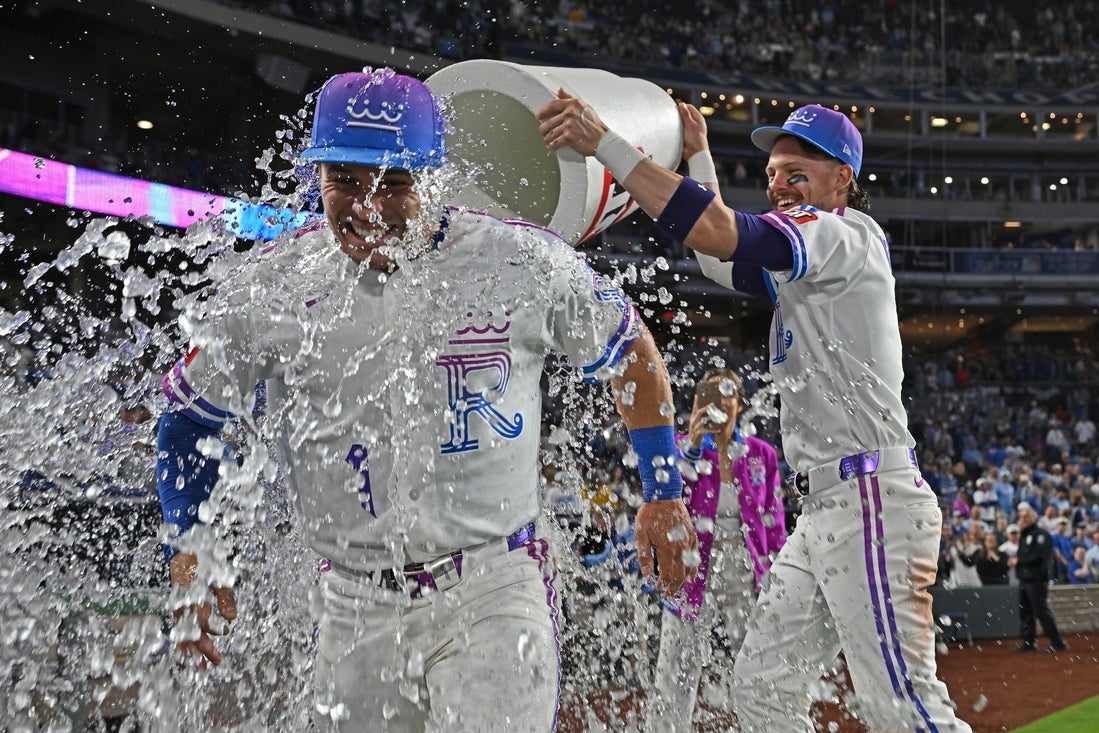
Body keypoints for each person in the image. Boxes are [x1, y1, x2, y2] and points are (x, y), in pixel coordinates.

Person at [156, 67, 698, 732]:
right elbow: (186, 419)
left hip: (493, 587)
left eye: (395, 184)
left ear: (437, 179)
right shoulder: (274, 285)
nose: (367, 206)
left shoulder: (520, 261)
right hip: (352, 600)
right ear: (316, 176)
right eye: (344, 180)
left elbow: (630, 351)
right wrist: (189, 544)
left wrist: (662, 490)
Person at [538, 95, 972, 730]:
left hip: (870, 499)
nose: (779, 186)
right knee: (762, 689)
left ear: (842, 179)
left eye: (797, 173)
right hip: (826, 507)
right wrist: (699, 156)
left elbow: (715, 231)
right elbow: (718, 258)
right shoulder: (811, 260)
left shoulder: (843, 233)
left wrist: (604, 142)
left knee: (901, 708)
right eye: (772, 175)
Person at [645, 368, 785, 732]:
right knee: (676, 667)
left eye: (726, 397)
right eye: (707, 398)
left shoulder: (761, 454)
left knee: (757, 661)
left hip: (745, 568)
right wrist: (692, 448)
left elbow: (774, 521)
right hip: (692, 569)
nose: (717, 406)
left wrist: (776, 575)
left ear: (740, 403)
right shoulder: (679, 448)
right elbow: (665, 497)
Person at [1010, 503, 1068, 653]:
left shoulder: (1041, 534)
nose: (1022, 520)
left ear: (1032, 517)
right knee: (1026, 611)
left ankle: (1058, 642)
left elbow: (1040, 555)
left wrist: (1019, 561)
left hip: (1036, 579)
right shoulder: (1025, 535)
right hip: (1024, 578)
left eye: (1025, 517)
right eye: (1021, 517)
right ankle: (1029, 642)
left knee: (1041, 611)